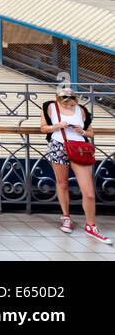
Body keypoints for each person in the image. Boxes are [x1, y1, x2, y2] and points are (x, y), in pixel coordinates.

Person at [42, 84, 109, 243]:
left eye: (71, 102)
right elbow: (43, 128)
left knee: (89, 192)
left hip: (79, 149)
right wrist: (57, 126)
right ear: (58, 99)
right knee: (62, 183)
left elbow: (90, 133)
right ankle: (66, 217)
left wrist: (82, 131)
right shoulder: (50, 107)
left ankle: (91, 226)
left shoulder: (82, 110)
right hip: (58, 146)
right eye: (65, 102)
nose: (69, 105)